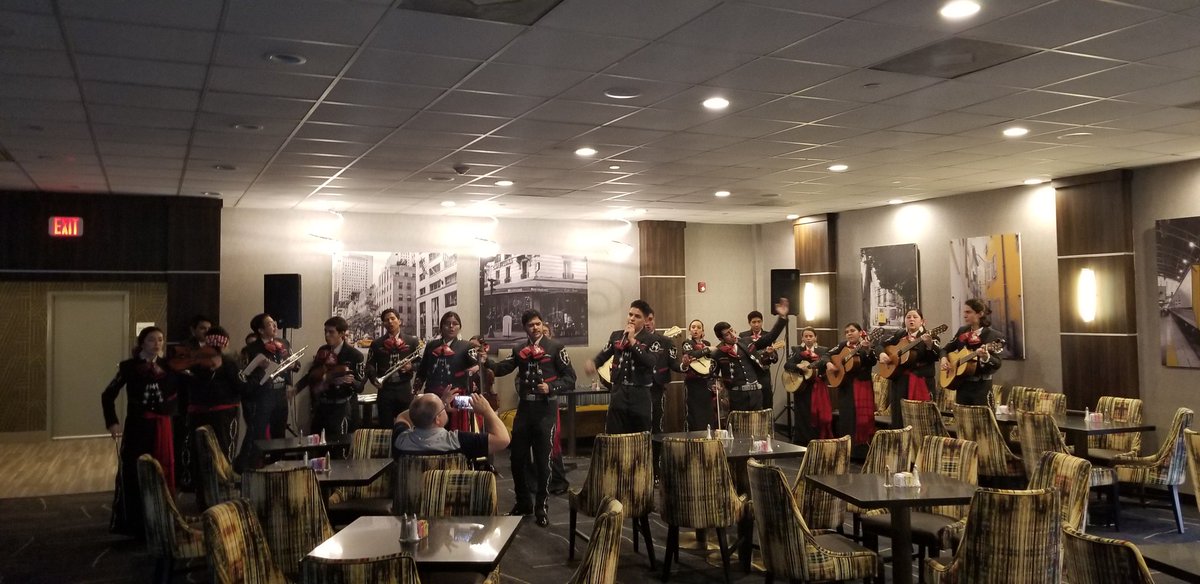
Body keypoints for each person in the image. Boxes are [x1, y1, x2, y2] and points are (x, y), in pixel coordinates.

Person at [489, 309, 577, 526]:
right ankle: (523, 503)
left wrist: (551, 387)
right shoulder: (519, 349)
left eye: (538, 324)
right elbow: (502, 369)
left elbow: (570, 379)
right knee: (516, 459)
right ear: (525, 328)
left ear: (542, 324)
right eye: (531, 325)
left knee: (543, 461)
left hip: (546, 410)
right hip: (525, 409)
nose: (535, 328)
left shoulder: (556, 348)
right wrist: (485, 361)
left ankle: (541, 507)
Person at [101, 326, 178, 538]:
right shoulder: (129, 367)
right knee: (134, 471)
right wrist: (113, 422)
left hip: (162, 426)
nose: (157, 344)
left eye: (160, 340)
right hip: (137, 427)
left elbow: (177, 392)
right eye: (152, 340)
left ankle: (162, 519)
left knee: (162, 471)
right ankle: (134, 523)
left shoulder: (169, 366)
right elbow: (107, 395)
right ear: (142, 343)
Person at [182, 326, 247, 508]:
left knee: (214, 454)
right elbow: (241, 387)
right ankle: (209, 497)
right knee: (210, 454)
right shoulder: (201, 364)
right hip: (209, 414)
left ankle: (214, 496)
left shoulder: (227, 363)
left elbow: (241, 387)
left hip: (215, 415)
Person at [702, 298, 789, 414]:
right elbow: (711, 376)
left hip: (756, 393)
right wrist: (714, 385)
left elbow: (770, 337)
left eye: (732, 330)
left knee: (758, 427)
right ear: (720, 338)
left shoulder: (746, 342)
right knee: (740, 429)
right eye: (727, 334)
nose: (733, 335)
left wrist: (782, 318)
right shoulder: (718, 353)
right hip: (737, 396)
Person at [235, 313, 299, 471]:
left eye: (274, 323)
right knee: (259, 436)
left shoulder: (283, 343)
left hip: (280, 395)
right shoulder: (251, 349)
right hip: (262, 397)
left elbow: (295, 365)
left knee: (279, 434)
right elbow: (245, 376)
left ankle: (279, 469)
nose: (275, 326)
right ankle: (253, 469)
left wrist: (291, 368)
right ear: (261, 330)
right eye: (270, 324)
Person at [584, 300, 658, 433]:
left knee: (640, 435)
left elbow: (650, 362)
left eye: (637, 316)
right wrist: (594, 363)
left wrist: (633, 342)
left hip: (640, 393)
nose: (632, 319)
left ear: (646, 320)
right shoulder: (617, 335)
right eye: (630, 314)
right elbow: (603, 355)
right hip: (619, 392)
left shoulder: (652, 339)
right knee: (615, 434)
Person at [298, 316, 365, 439]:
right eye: (325, 331)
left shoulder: (355, 355)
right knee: (317, 442)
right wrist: (296, 389)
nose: (327, 335)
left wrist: (350, 381)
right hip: (322, 405)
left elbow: (360, 386)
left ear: (342, 333)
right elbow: (312, 375)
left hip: (342, 407)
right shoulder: (322, 350)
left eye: (331, 332)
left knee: (338, 445)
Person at [413, 311, 480, 432]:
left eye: (455, 323)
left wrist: (476, 370)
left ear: (459, 327)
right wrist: (416, 387)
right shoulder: (431, 345)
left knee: (458, 431)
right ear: (441, 327)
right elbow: (423, 368)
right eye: (447, 323)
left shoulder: (467, 346)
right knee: (431, 428)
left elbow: (477, 367)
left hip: (458, 396)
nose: (451, 326)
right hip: (433, 396)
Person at [392, 393, 510, 459]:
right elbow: (503, 440)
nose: (445, 407)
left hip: (410, 500)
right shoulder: (459, 441)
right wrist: (487, 410)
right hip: (449, 501)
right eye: (443, 408)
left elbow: (402, 417)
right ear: (437, 419)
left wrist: (424, 407)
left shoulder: (400, 439)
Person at [167, 314, 210, 490]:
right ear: (193, 330)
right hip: (186, 399)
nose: (206, 332)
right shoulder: (184, 347)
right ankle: (185, 479)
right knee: (185, 440)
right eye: (202, 328)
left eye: (209, 329)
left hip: (207, 401)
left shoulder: (213, 347)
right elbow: (177, 370)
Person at [879, 309, 939, 427]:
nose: (911, 319)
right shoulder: (899, 335)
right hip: (899, 381)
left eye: (915, 317)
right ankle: (900, 443)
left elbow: (936, 356)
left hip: (921, 381)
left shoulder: (931, 336)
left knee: (921, 418)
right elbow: (881, 345)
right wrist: (881, 353)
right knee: (898, 417)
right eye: (908, 317)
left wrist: (929, 344)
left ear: (922, 321)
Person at [940, 298, 1004, 406]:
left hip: (981, 387)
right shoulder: (962, 331)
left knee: (981, 421)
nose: (965, 315)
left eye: (968, 312)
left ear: (980, 314)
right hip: (962, 385)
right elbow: (944, 350)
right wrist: (943, 359)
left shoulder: (994, 336)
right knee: (962, 421)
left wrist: (986, 357)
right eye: (964, 312)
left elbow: (997, 363)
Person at [365, 308, 422, 429]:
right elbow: (369, 365)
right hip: (385, 390)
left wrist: (411, 366)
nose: (390, 322)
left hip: (404, 389)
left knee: (407, 426)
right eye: (386, 320)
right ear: (383, 324)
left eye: (392, 318)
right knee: (385, 427)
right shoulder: (376, 343)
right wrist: (374, 379)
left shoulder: (412, 341)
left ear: (399, 321)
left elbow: (421, 363)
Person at [826, 323, 877, 451]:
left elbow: (872, 361)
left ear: (860, 333)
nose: (849, 333)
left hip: (862, 386)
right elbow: (826, 355)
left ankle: (862, 450)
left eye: (852, 330)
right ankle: (847, 449)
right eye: (847, 331)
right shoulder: (843, 345)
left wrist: (866, 350)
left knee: (862, 420)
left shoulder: (867, 344)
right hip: (846, 387)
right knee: (847, 418)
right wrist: (828, 363)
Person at [783, 326, 833, 444]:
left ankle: (817, 440)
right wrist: (798, 365)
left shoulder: (823, 350)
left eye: (811, 336)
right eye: (806, 336)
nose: (809, 338)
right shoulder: (796, 350)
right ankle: (802, 441)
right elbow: (787, 365)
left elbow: (825, 366)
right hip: (801, 387)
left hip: (817, 386)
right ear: (802, 338)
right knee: (802, 414)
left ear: (815, 338)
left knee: (818, 414)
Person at [645, 309, 679, 433]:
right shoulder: (633, 340)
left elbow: (674, 364)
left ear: (654, 321)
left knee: (657, 421)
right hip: (638, 388)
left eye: (650, 319)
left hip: (657, 387)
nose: (647, 323)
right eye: (644, 320)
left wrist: (684, 365)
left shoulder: (666, 341)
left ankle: (656, 451)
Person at [741, 310, 780, 415]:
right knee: (750, 403)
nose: (757, 324)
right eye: (754, 322)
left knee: (766, 401)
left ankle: (768, 428)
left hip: (764, 374)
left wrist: (770, 354)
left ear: (762, 322)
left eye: (759, 321)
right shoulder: (743, 336)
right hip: (749, 374)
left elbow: (775, 359)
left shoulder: (768, 336)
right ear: (749, 323)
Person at [678, 319, 714, 431]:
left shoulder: (706, 344)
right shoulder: (687, 343)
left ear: (702, 330)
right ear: (689, 330)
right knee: (694, 413)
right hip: (693, 383)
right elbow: (691, 354)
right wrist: (707, 350)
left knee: (707, 413)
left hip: (706, 383)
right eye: (693, 327)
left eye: (698, 327)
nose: (695, 330)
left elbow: (710, 362)